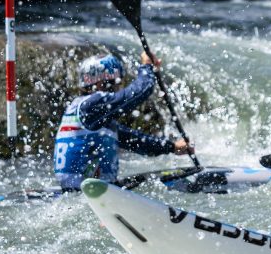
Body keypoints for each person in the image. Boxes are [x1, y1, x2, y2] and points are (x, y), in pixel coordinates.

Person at [53, 52, 191, 190]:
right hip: (86, 191)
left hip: (77, 190)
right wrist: (147, 66)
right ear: (102, 83)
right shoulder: (92, 105)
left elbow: (136, 141)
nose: (117, 87)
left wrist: (172, 147)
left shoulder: (86, 112)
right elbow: (139, 92)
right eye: (115, 82)